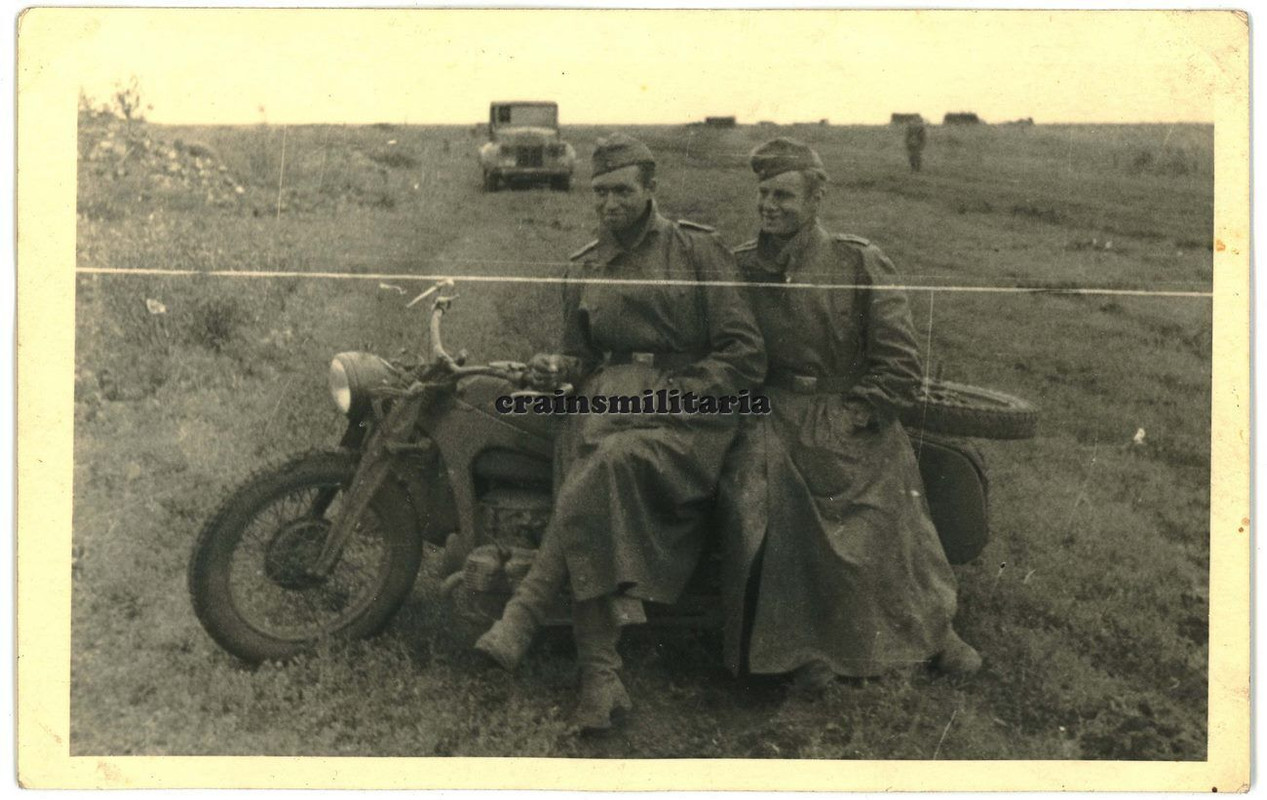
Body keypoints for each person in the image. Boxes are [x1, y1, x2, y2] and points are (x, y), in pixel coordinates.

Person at [475, 133, 766, 730]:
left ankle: (526, 616)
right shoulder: (584, 266)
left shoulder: (696, 253)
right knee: (592, 475)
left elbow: (744, 355)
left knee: (602, 469)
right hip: (600, 413)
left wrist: (669, 395)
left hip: (687, 422)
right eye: (600, 192)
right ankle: (600, 681)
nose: (609, 203)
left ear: (651, 190)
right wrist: (561, 368)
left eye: (622, 191)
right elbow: (579, 358)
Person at [718, 137, 979, 694]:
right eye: (764, 193)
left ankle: (929, 633)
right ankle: (795, 653)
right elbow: (723, 346)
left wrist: (858, 413)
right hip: (769, 414)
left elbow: (900, 362)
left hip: (849, 416)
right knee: (759, 500)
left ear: (816, 199)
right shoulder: (740, 267)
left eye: (784, 195)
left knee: (879, 514)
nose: (770, 206)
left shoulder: (857, 262)